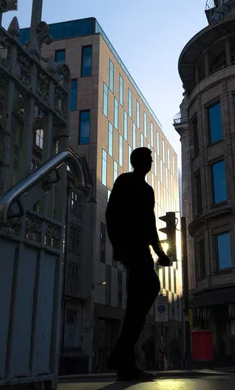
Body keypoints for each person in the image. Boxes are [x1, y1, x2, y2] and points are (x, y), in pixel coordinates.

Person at [105, 147, 172, 381]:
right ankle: (123, 358)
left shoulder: (147, 190)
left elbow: (150, 224)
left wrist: (160, 253)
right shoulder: (125, 181)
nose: (152, 161)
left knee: (139, 302)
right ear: (139, 162)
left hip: (141, 250)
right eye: (149, 159)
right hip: (131, 249)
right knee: (144, 294)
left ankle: (123, 358)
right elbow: (111, 214)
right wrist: (117, 246)